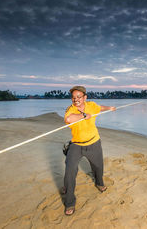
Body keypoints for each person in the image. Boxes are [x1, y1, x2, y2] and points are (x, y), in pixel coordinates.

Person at [62, 85, 116, 216]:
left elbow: (99, 108)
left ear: (85, 97)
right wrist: (83, 116)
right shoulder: (70, 110)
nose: (76, 100)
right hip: (76, 145)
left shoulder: (91, 105)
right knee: (69, 172)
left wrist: (110, 108)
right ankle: (69, 202)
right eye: (74, 97)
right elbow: (69, 119)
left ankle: (99, 183)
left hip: (94, 142)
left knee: (98, 167)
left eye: (79, 97)